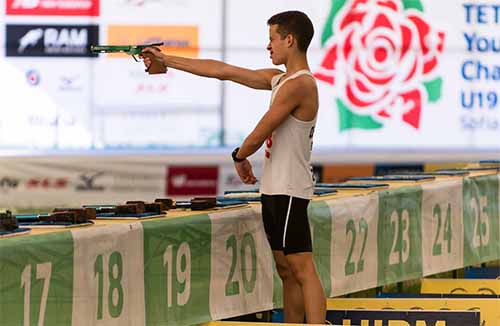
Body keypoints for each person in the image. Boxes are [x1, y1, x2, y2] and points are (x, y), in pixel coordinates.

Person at [141, 10, 326, 324]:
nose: (268, 46)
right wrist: (166, 60)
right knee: (286, 270)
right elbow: (222, 71)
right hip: (274, 188)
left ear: (290, 40)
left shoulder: (301, 84)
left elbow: (259, 132)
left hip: (291, 189)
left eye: (272, 39)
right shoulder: (279, 79)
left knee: (301, 267)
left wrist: (239, 156)